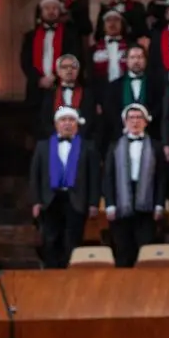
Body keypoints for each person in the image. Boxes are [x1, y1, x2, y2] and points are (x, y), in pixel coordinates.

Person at [28, 105, 101, 269]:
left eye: (71, 120)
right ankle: (52, 274)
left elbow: (94, 177)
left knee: (73, 240)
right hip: (50, 199)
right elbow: (35, 175)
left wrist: (93, 203)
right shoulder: (43, 146)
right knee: (50, 239)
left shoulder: (88, 147)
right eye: (63, 120)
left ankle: (70, 274)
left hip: (76, 199)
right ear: (56, 124)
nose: (67, 124)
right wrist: (35, 201)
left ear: (77, 124)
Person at [103, 104, 165, 267]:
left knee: (145, 249)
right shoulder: (114, 146)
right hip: (121, 204)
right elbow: (108, 177)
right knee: (123, 249)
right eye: (131, 118)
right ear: (125, 122)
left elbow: (161, 178)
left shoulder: (155, 146)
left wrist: (159, 204)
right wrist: (109, 204)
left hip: (147, 203)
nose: (135, 121)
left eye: (139, 118)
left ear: (146, 122)